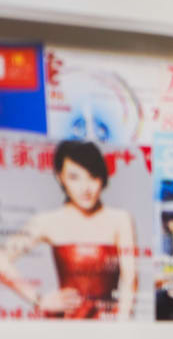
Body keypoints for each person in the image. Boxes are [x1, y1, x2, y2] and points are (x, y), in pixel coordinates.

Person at [0, 137, 137, 320]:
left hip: (109, 326)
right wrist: (38, 299)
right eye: (74, 177)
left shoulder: (120, 219)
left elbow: (130, 280)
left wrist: (122, 327)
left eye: (92, 176)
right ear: (60, 177)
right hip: (65, 326)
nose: (85, 188)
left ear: (102, 177)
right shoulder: (48, 221)